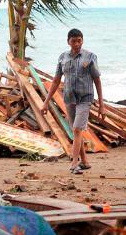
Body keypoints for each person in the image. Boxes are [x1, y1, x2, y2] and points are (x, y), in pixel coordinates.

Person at [42, 28, 104, 174]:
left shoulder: (90, 57)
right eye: (74, 41)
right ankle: (85, 161)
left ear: (82, 40)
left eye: (79, 40)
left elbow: (97, 80)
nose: (77, 44)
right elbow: (56, 80)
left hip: (85, 98)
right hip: (69, 98)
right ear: (68, 41)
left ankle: (74, 163)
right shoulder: (63, 57)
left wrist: (101, 105)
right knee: (76, 131)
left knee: (77, 129)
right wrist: (46, 101)